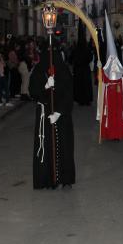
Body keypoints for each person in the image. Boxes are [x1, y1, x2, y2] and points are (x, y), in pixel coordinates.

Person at [29, 41, 76, 190]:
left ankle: (65, 178)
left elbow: (69, 93)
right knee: (45, 146)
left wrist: (59, 112)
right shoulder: (38, 70)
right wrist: (45, 86)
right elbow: (33, 91)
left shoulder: (63, 70)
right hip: (45, 114)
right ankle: (46, 179)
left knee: (64, 146)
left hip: (61, 116)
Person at [97, 12, 123, 141]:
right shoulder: (106, 67)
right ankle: (109, 133)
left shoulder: (120, 67)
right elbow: (101, 80)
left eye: (113, 57)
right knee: (110, 115)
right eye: (110, 58)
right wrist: (100, 68)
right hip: (109, 95)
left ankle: (117, 134)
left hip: (118, 94)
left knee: (117, 115)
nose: (112, 59)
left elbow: (122, 79)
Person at [73, 23, 94, 106]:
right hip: (85, 69)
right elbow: (90, 58)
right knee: (86, 85)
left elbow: (72, 59)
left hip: (79, 70)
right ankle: (87, 99)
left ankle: (80, 99)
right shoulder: (87, 48)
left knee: (80, 85)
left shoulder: (76, 49)